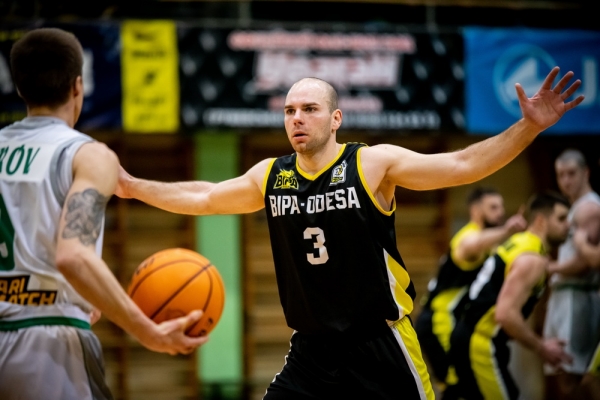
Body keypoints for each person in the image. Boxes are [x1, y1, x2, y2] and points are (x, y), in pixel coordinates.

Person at [116, 67, 583, 400]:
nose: (297, 118)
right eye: (289, 110)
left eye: (310, 109)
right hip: (312, 350)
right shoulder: (272, 175)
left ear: (335, 119)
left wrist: (527, 128)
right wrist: (134, 186)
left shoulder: (371, 164)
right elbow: (204, 196)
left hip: (380, 344)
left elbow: (461, 165)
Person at [0, 28, 208, 400]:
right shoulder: (86, 155)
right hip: (46, 340)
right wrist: (148, 332)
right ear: (78, 86)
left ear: (19, 88)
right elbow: (73, 257)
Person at [449, 191, 572, 400]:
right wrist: (542, 347)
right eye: (561, 219)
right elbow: (505, 314)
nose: (568, 225)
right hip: (480, 342)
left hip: (468, 335)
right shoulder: (532, 259)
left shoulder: (520, 241)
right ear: (541, 221)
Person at [415, 187, 526, 399]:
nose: (501, 212)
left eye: (501, 207)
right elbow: (471, 245)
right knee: (457, 388)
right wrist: (507, 231)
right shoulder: (468, 236)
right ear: (475, 211)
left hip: (452, 323)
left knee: (463, 388)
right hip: (440, 323)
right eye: (493, 207)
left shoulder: (489, 242)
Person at [543, 149, 600, 400]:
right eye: (560, 175)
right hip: (565, 293)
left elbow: (587, 261)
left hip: (579, 295)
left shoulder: (589, 208)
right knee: (560, 368)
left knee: (573, 372)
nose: (566, 180)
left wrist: (549, 268)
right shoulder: (574, 206)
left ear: (586, 172)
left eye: (571, 173)